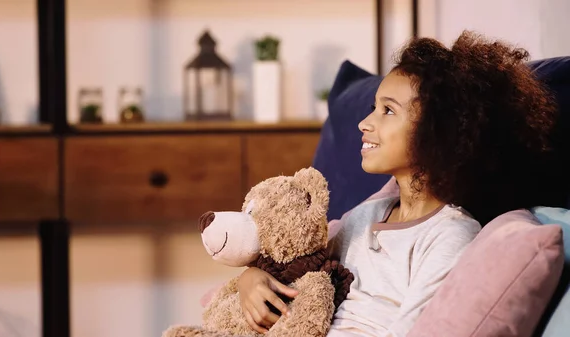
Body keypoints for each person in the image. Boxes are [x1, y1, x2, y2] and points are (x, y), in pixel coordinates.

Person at [236, 31, 558, 337]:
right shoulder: (366, 215)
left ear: (438, 132)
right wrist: (250, 279)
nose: (365, 123)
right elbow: (294, 265)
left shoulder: (448, 235)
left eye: (388, 110)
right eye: (373, 108)